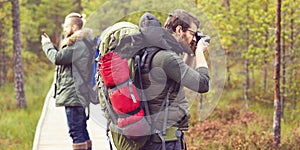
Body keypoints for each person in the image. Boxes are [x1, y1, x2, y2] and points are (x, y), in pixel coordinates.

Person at [107, 9, 210, 150]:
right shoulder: (166, 57)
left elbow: (178, 79)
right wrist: (199, 53)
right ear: (179, 30)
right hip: (165, 140)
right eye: (192, 34)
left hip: (152, 137)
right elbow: (202, 84)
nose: (194, 39)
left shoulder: (151, 51)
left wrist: (191, 54)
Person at [41, 12, 94, 150]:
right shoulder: (79, 43)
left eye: (66, 26)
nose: (64, 29)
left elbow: (58, 58)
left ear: (75, 27)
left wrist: (46, 45)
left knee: (76, 132)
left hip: (74, 94)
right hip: (77, 92)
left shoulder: (78, 45)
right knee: (81, 130)